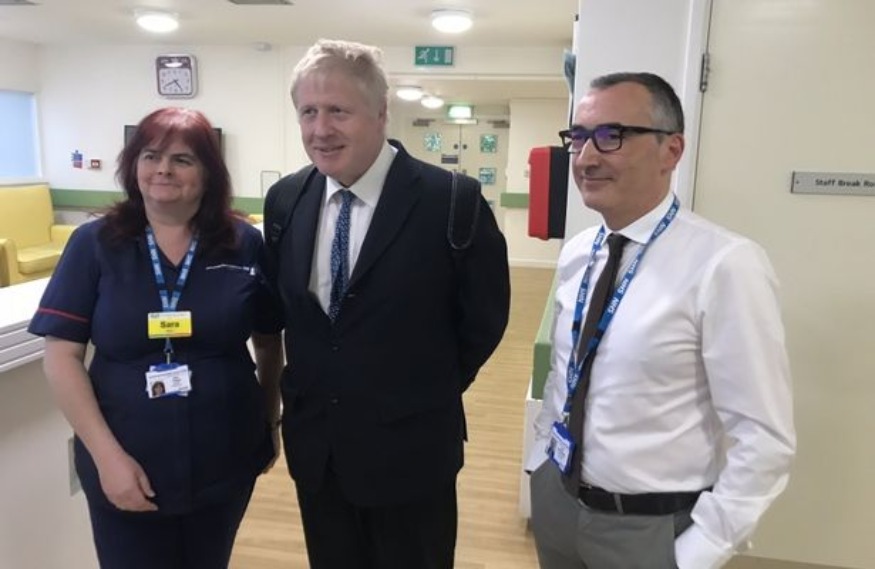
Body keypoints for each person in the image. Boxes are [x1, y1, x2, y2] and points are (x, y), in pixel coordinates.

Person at [526, 72, 796, 569]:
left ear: (671, 150)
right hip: (557, 504)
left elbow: (763, 437)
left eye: (611, 136)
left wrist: (697, 550)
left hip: (648, 529)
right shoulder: (580, 252)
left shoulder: (725, 264)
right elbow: (564, 375)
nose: (585, 158)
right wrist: (538, 462)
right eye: (579, 137)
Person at [266, 39, 510, 569]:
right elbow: (292, 317)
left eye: (338, 111)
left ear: (380, 112)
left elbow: (484, 321)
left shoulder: (452, 201)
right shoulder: (286, 200)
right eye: (308, 112)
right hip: (319, 456)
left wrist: (418, 390)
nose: (321, 129)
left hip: (411, 454)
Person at [28, 107, 284, 569]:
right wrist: (107, 458)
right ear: (134, 166)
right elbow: (61, 355)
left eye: (182, 159)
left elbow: (268, 340)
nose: (163, 169)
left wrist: (269, 424)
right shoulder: (95, 244)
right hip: (125, 460)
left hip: (226, 456)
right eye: (151, 156)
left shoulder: (243, 243)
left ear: (209, 173)